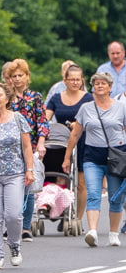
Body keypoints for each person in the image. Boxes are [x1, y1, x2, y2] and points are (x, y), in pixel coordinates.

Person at [63, 72, 126, 247]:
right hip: (92, 156)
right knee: (93, 193)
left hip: (116, 156)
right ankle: (92, 231)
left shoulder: (121, 107)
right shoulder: (86, 108)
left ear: (110, 87)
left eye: (103, 83)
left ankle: (113, 233)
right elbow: (75, 134)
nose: (99, 86)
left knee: (114, 197)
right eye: (96, 83)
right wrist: (67, 158)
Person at [0, 82, 34, 268]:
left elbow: (27, 146)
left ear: (7, 98)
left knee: (13, 215)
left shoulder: (18, 118)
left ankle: (14, 246)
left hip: (15, 173)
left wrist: (29, 169)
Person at [6, 59, 49, 241]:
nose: (17, 79)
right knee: (9, 187)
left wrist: (41, 142)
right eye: (14, 76)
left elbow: (42, 122)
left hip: (29, 145)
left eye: (20, 75)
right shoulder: (7, 97)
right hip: (9, 147)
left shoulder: (35, 97)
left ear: (27, 76)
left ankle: (25, 227)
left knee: (28, 185)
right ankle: (10, 225)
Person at [46, 64, 92, 227]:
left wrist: (78, 124)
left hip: (82, 141)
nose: (74, 82)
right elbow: (46, 117)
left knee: (80, 182)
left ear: (81, 81)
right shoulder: (56, 98)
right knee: (60, 177)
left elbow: (92, 119)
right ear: (64, 80)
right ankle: (61, 209)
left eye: (77, 79)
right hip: (61, 141)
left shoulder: (88, 98)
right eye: (71, 79)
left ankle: (77, 219)